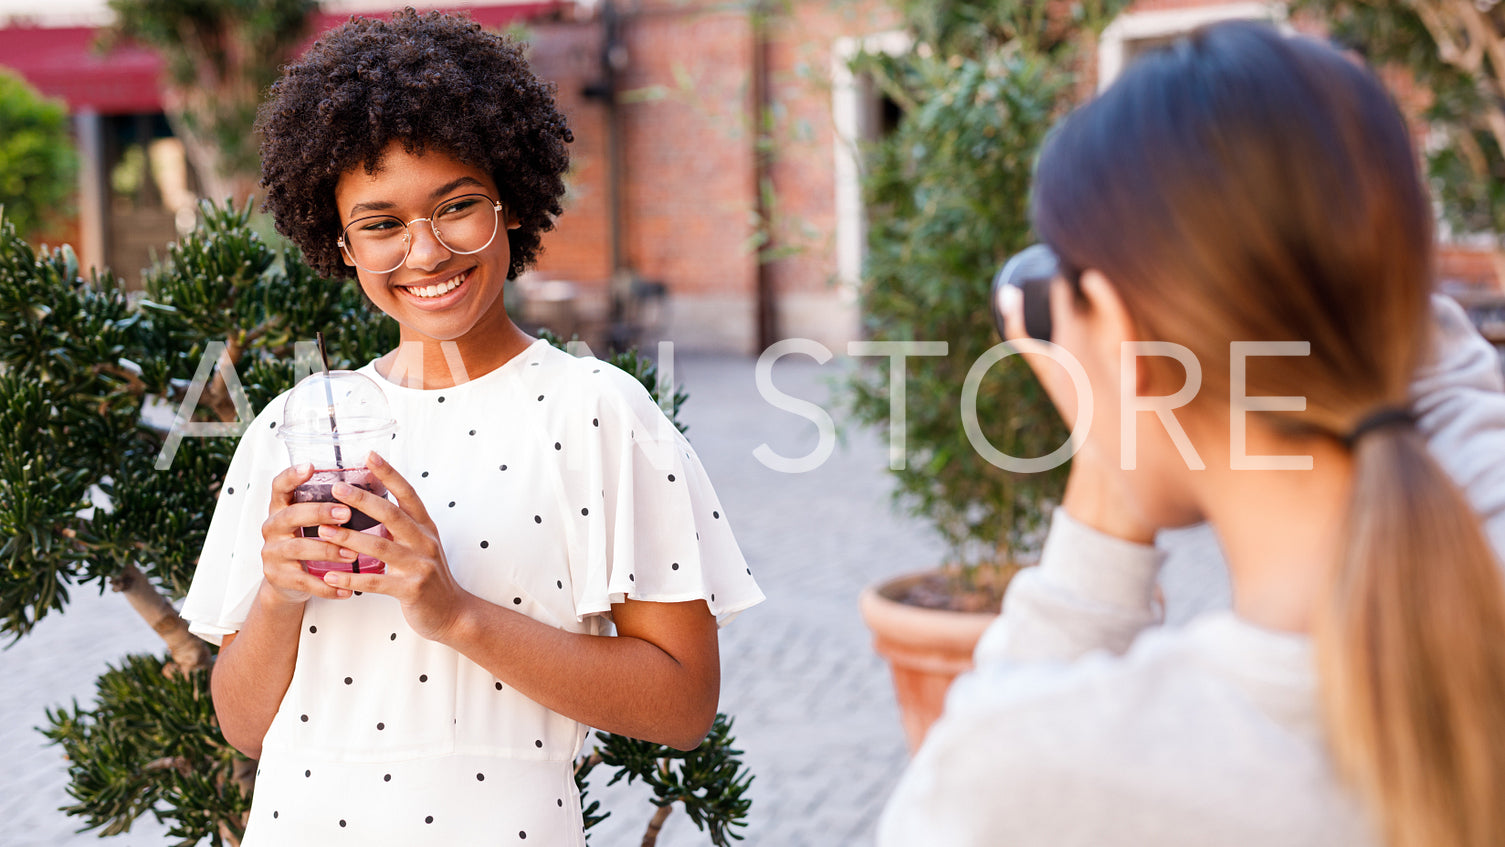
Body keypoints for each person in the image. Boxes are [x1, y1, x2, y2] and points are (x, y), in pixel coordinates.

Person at [878, 21, 1505, 847]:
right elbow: (1434, 359)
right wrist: (1325, 172)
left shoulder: (1041, 765)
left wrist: (1107, 469)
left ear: (1126, 336)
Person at [180, 10, 763, 845]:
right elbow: (242, 724)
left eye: (456, 206)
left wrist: (454, 611)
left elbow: (680, 705)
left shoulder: (596, 412)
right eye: (380, 224)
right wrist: (277, 592)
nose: (424, 253)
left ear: (512, 203)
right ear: (341, 244)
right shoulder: (295, 427)